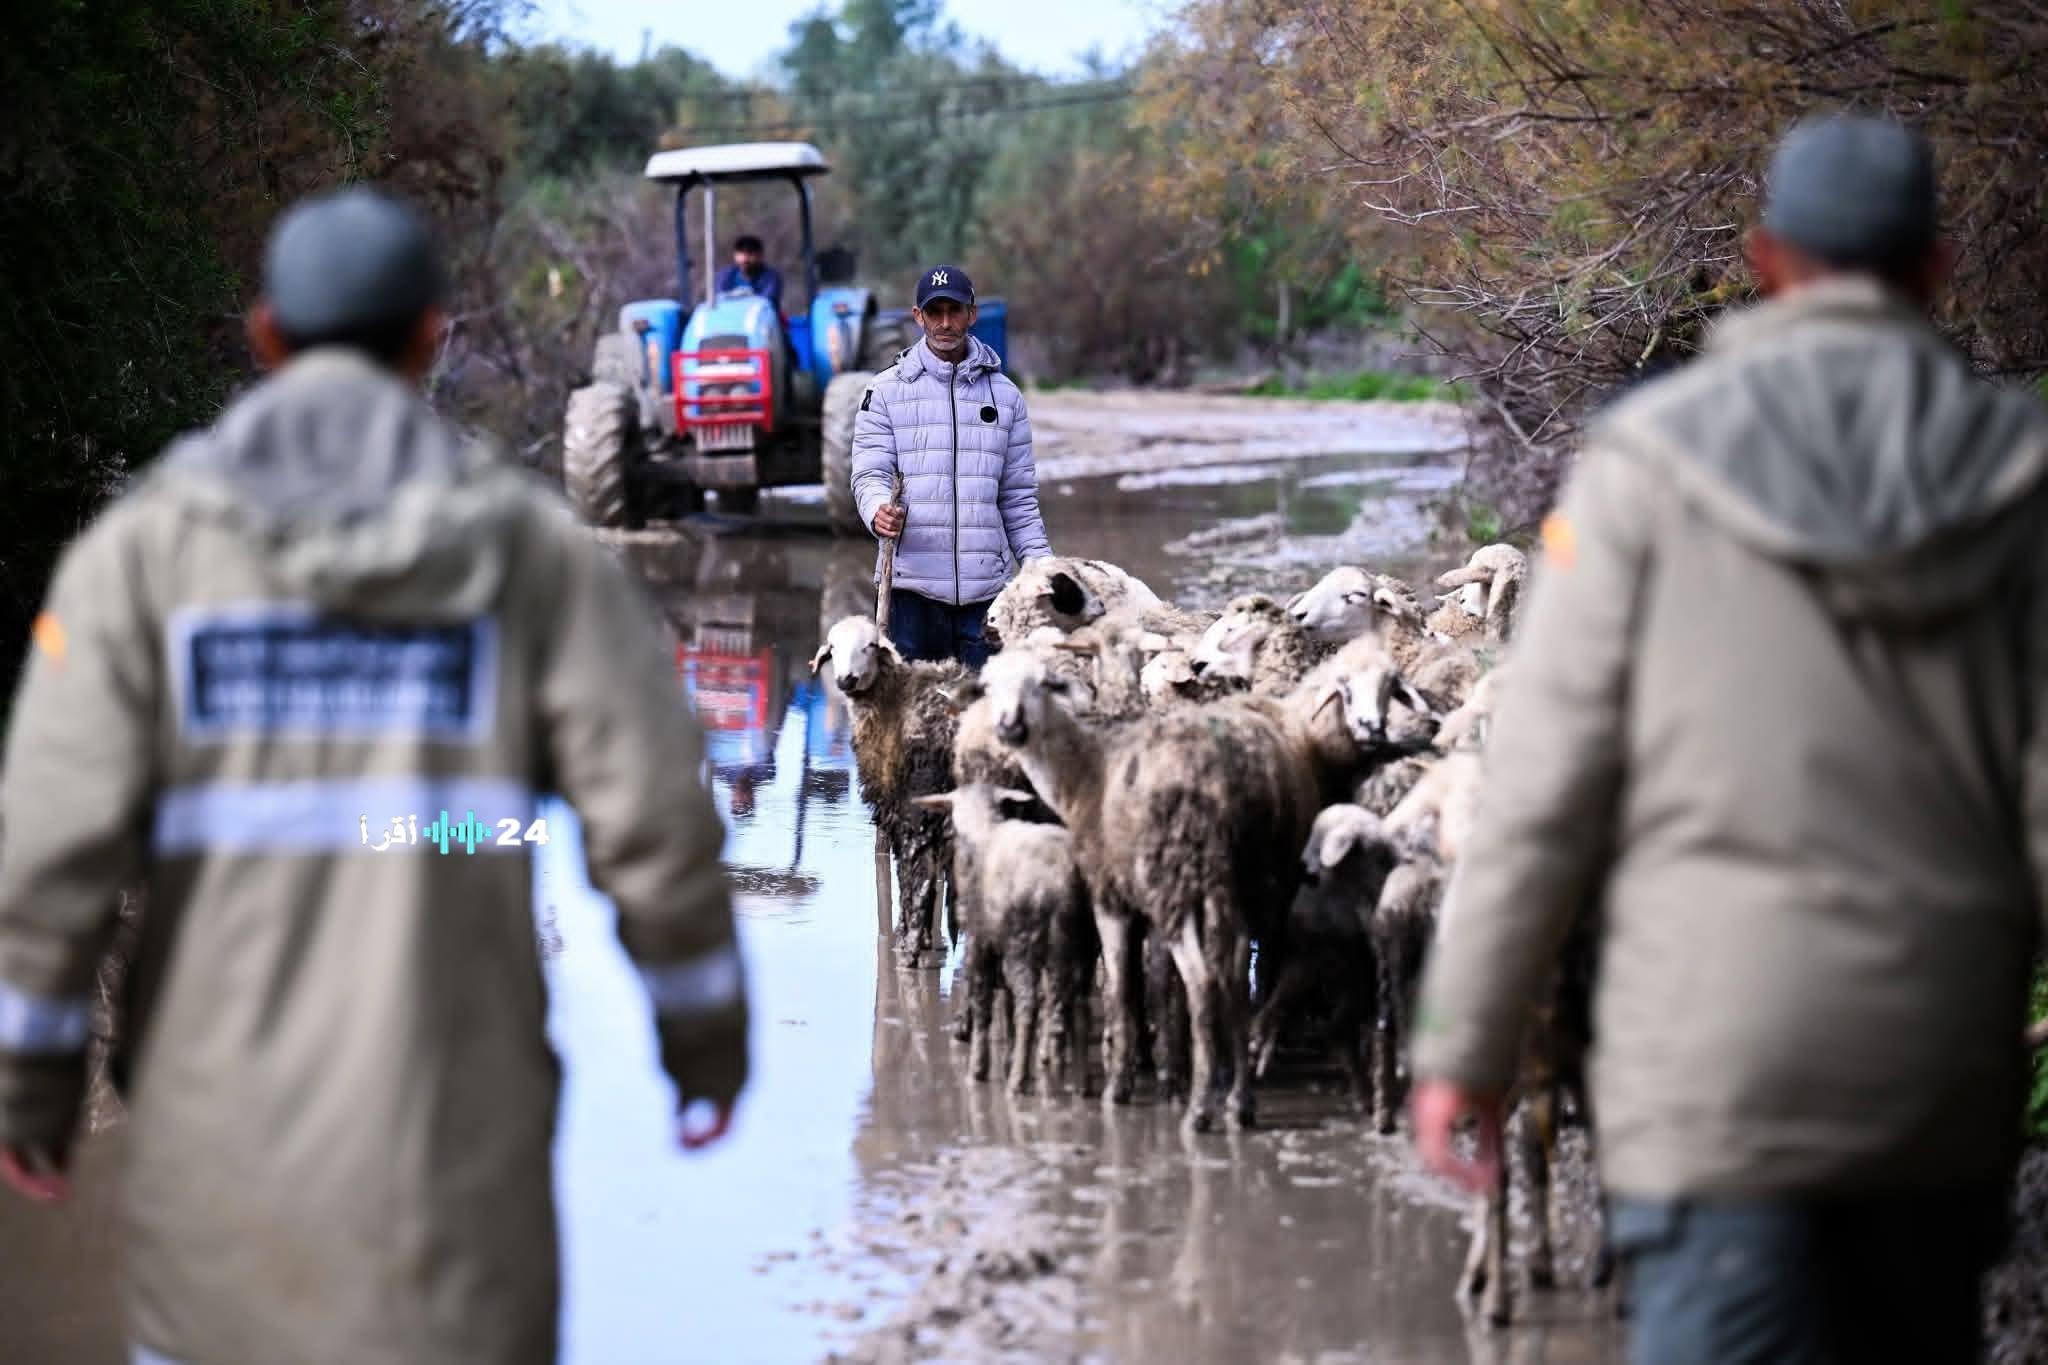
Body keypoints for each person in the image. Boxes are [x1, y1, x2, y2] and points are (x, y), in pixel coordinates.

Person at [0, 188, 750, 1364]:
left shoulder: (140, 554)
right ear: (430, 338)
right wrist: (704, 1045)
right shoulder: (528, 552)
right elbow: (656, 823)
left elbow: (48, 852)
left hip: (213, 1174)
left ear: (263, 338)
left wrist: (29, 1091)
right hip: (458, 1172)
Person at [1406, 112, 2048, 1363]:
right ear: (1935, 268)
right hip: (1934, 1081)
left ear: (1762, 260)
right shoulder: (2021, 477)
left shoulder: (1643, 467)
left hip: (1709, 1085)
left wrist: (1465, 1046)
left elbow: (1539, 789)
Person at [851, 263, 1052, 667]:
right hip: (910, 598)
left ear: (972, 314)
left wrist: (1043, 571)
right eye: (934, 312)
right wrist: (877, 511)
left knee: (987, 721)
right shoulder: (885, 391)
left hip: (988, 600)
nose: (945, 323)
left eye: (954, 311)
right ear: (917, 316)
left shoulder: (1006, 397)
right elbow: (869, 474)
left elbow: (1018, 499)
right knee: (914, 723)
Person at [713, 233, 784, 315]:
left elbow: (767, 301)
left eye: (750, 253)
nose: (745, 258)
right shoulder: (725, 275)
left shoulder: (771, 278)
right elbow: (719, 297)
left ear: (760, 256)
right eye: (741, 252)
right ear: (735, 255)